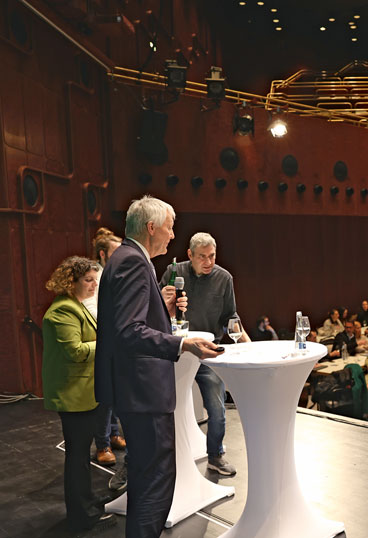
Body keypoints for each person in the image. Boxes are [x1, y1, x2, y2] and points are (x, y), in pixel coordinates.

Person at [95, 195, 222, 538]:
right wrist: (183, 342)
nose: (172, 234)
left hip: (133, 391)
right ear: (151, 227)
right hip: (144, 394)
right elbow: (129, 332)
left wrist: (162, 310)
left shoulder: (123, 258)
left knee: (144, 480)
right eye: (169, 227)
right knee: (154, 485)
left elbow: (129, 323)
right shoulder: (135, 262)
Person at [158, 231, 247, 477]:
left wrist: (247, 345)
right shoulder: (174, 272)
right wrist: (161, 299)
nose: (208, 262)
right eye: (202, 257)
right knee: (159, 406)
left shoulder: (224, 278)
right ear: (190, 255)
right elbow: (155, 307)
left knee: (217, 408)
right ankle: (157, 460)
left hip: (208, 351)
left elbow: (232, 316)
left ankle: (216, 456)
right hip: (177, 347)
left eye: (212, 256)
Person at [42, 256, 116, 532]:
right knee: (77, 457)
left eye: (96, 280)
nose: (94, 285)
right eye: (88, 280)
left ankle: (87, 502)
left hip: (85, 392)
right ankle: (81, 515)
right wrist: (108, 343)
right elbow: (75, 351)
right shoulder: (62, 311)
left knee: (82, 456)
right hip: (73, 395)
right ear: (70, 282)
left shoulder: (77, 306)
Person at [84, 228, 126, 467]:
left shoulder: (117, 272)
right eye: (115, 252)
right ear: (102, 254)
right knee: (105, 398)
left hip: (118, 340)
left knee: (117, 394)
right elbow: (92, 307)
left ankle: (113, 434)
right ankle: (102, 444)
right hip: (103, 341)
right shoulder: (94, 276)